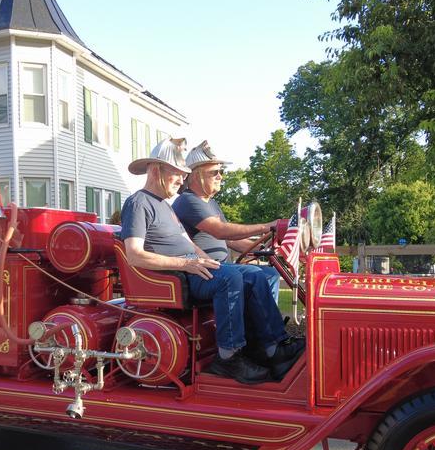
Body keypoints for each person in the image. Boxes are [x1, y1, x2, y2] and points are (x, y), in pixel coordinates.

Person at [119, 138, 303, 384]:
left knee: (257, 274)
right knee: (231, 278)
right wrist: (186, 264)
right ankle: (228, 357)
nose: (181, 179)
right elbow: (133, 254)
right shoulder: (138, 202)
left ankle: (271, 348)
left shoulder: (166, 206)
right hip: (177, 276)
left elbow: (191, 245)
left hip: (194, 268)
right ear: (155, 170)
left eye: (184, 175)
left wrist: (211, 262)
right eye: (177, 173)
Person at [173, 140, 281, 302]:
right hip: (203, 271)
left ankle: (262, 323)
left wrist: (263, 249)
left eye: (221, 171)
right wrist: (266, 227)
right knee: (261, 274)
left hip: (220, 268)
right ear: (195, 175)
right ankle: (263, 325)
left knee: (270, 274)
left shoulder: (211, 203)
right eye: (214, 172)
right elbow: (220, 230)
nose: (220, 176)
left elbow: (230, 239)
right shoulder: (188, 200)